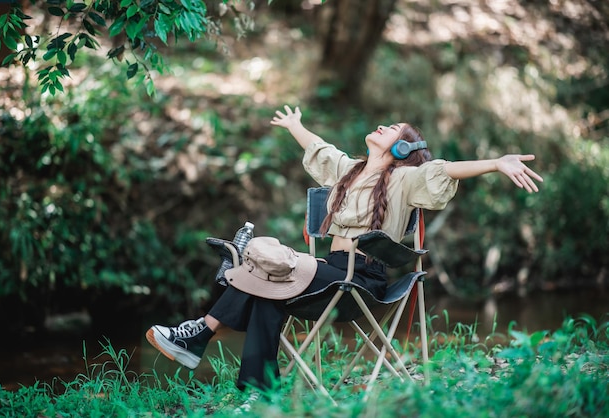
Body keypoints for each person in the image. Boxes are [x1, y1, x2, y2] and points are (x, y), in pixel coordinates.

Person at [146, 104, 543, 393]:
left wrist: (495, 163)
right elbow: (321, 151)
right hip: (331, 272)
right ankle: (258, 390)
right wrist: (295, 125)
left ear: (403, 149)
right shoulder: (348, 170)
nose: (384, 124)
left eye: (394, 129)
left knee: (263, 266)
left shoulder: (404, 180)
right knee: (267, 290)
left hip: (360, 282)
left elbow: (443, 169)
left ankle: (199, 333)